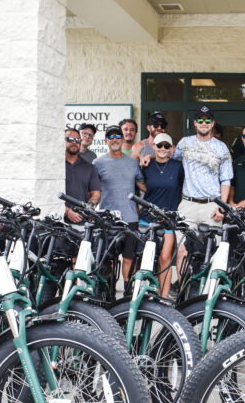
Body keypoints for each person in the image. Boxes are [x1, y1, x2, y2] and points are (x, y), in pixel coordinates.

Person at [171, 105, 233, 277]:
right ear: (195, 123)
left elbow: (226, 180)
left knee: (213, 253)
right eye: (200, 119)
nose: (203, 123)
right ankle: (183, 291)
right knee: (182, 250)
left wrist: (222, 206)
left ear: (212, 123)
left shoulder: (222, 148)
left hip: (211, 206)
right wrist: (147, 155)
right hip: (188, 205)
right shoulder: (184, 143)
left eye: (207, 120)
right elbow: (168, 158)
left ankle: (207, 290)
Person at [92, 124, 147, 284]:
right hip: (108, 219)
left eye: (118, 136)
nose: (114, 139)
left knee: (129, 258)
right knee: (108, 259)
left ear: (122, 140)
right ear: (105, 141)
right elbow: (94, 191)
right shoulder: (97, 163)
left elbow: (142, 185)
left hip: (130, 218)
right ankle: (108, 294)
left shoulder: (133, 162)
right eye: (111, 136)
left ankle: (128, 294)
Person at [140, 133, 184, 298]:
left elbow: (183, 188)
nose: (163, 149)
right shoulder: (146, 165)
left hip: (168, 218)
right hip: (147, 217)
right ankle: (145, 293)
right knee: (146, 257)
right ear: (153, 147)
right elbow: (138, 181)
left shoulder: (178, 167)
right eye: (159, 145)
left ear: (171, 148)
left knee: (165, 258)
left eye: (167, 146)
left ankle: (163, 297)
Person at [64, 128, 100, 223]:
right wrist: (66, 210)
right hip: (56, 222)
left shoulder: (90, 168)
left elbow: (96, 194)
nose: (74, 142)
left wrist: (88, 209)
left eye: (78, 140)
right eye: (70, 139)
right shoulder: (54, 166)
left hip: (82, 222)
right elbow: (47, 193)